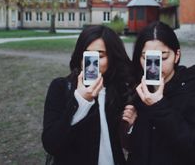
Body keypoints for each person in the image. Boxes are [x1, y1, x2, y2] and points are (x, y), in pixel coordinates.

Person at [42, 25, 136, 165]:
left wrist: (130, 126)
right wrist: (81, 101)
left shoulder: (120, 89)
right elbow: (51, 144)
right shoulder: (61, 87)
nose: (93, 64)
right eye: (88, 56)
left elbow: (129, 145)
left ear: (111, 58)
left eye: (100, 56)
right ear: (79, 56)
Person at [127, 21, 195, 165]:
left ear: (176, 55)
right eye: (146, 58)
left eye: (162, 58)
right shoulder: (140, 87)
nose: (154, 67)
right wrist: (131, 128)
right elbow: (135, 147)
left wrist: (159, 106)